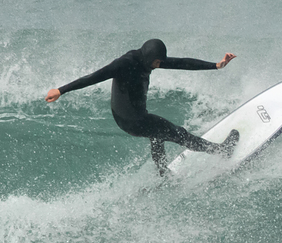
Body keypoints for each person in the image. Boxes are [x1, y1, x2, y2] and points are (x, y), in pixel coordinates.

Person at [45, 38, 239, 176]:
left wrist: (216, 65)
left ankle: (163, 173)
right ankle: (222, 151)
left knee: (157, 135)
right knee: (179, 134)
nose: (159, 65)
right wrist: (61, 90)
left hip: (127, 118)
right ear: (149, 57)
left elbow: (182, 63)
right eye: (157, 62)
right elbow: (94, 77)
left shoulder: (149, 59)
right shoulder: (124, 63)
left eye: (160, 62)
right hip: (133, 120)